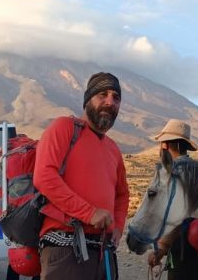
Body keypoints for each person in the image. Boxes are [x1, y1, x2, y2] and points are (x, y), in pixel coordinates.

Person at [33, 72, 130, 280]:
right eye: (102, 94)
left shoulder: (113, 149)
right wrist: (89, 213)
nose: (110, 102)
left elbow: (122, 194)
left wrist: (119, 227)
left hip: (103, 251)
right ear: (87, 100)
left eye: (116, 97)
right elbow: (44, 176)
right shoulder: (64, 127)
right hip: (65, 248)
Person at [146, 119, 198, 280]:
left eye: (161, 143)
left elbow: (177, 216)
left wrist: (161, 249)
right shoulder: (197, 169)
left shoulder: (175, 172)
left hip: (182, 251)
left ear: (165, 145)